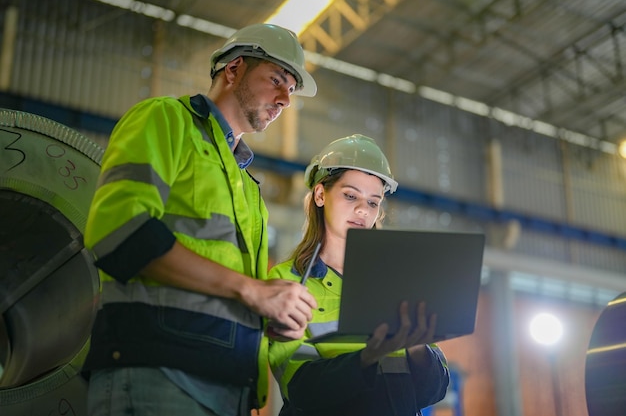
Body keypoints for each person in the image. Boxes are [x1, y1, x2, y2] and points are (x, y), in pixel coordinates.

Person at [82, 24, 319, 416]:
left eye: (291, 90)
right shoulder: (165, 120)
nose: (284, 100)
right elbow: (118, 233)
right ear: (233, 70)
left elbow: (230, 290)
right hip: (157, 376)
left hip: (230, 388)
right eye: (277, 80)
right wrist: (253, 292)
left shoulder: (247, 186)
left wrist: (268, 314)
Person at [268, 134, 450, 416]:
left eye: (373, 202)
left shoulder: (401, 282)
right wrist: (369, 355)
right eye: (351, 195)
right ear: (320, 195)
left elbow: (433, 391)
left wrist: (416, 344)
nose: (363, 210)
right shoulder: (289, 282)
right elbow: (300, 387)